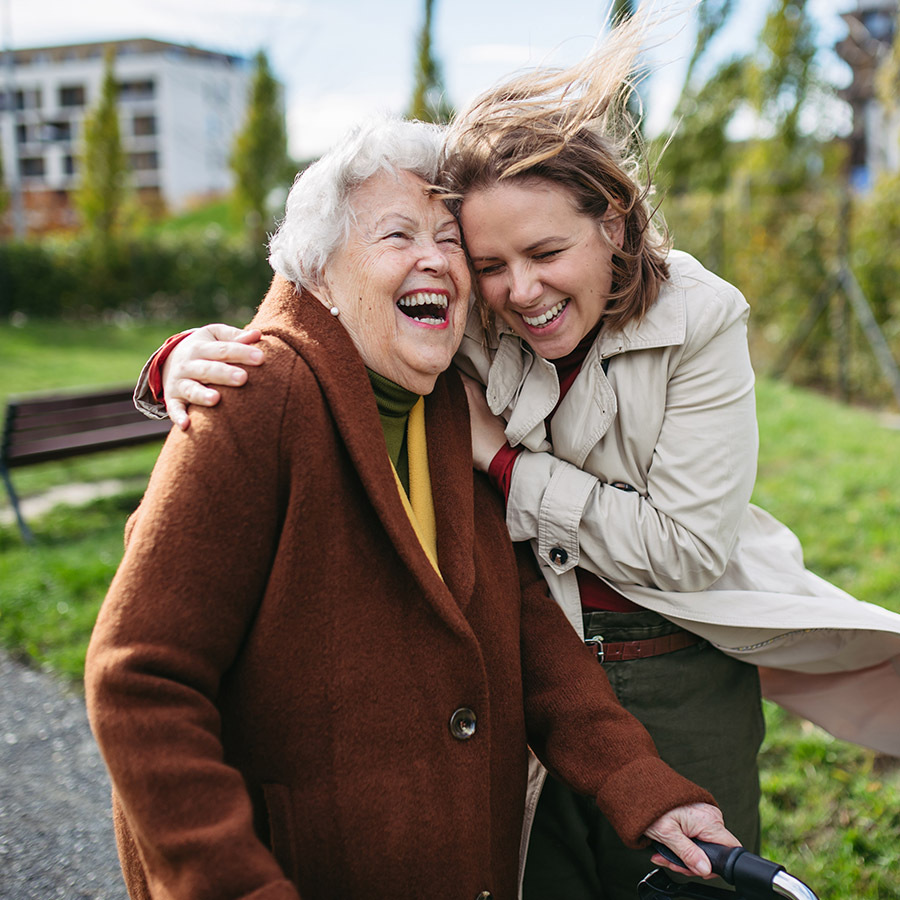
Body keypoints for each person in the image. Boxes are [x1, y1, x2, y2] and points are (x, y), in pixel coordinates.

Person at [131, 13, 900, 900]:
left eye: (543, 252)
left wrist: (505, 468)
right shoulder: (460, 317)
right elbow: (327, 297)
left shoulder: (701, 320)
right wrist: (184, 357)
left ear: (613, 225)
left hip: (674, 651)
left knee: (693, 879)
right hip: (533, 663)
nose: (517, 290)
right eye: (487, 259)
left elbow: (684, 549)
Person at [86, 115, 741, 900]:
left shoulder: (441, 405)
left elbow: (520, 618)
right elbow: (139, 680)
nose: (435, 258)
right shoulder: (255, 395)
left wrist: (645, 787)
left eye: (448, 237)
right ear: (318, 275)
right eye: (397, 234)